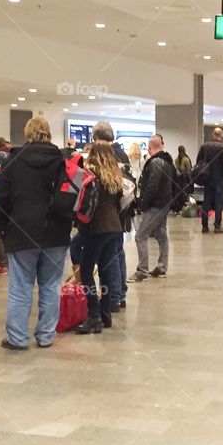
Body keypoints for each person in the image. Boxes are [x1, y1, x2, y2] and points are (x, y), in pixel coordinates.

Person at [0, 116, 70, 350]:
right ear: (48, 133)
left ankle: (17, 338)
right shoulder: (62, 161)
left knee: (21, 287)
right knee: (50, 286)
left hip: (22, 231)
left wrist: (3, 229)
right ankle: (46, 336)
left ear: (27, 134)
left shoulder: (13, 162)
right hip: (57, 231)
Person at [74, 142, 126, 334]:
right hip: (114, 227)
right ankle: (105, 315)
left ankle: (93, 316)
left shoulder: (89, 174)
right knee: (106, 272)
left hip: (95, 227)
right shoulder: (115, 176)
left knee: (86, 272)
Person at [92, 121, 129, 311]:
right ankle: (120, 294)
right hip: (120, 214)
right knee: (118, 253)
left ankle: (113, 297)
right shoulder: (122, 154)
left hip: (104, 217)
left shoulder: (101, 156)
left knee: (108, 257)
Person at [133, 135, 174, 282]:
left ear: (150, 148)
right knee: (161, 234)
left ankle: (142, 270)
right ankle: (162, 267)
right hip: (165, 203)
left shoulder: (155, 162)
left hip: (155, 205)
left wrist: (143, 202)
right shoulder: (167, 161)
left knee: (140, 236)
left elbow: (152, 186)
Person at [196, 128, 223, 233]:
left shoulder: (204, 146)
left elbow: (199, 161)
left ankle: (204, 226)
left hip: (207, 178)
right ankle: (217, 226)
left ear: (212, 134)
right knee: (218, 203)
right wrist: (222, 172)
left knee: (206, 202)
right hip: (219, 179)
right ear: (222, 135)